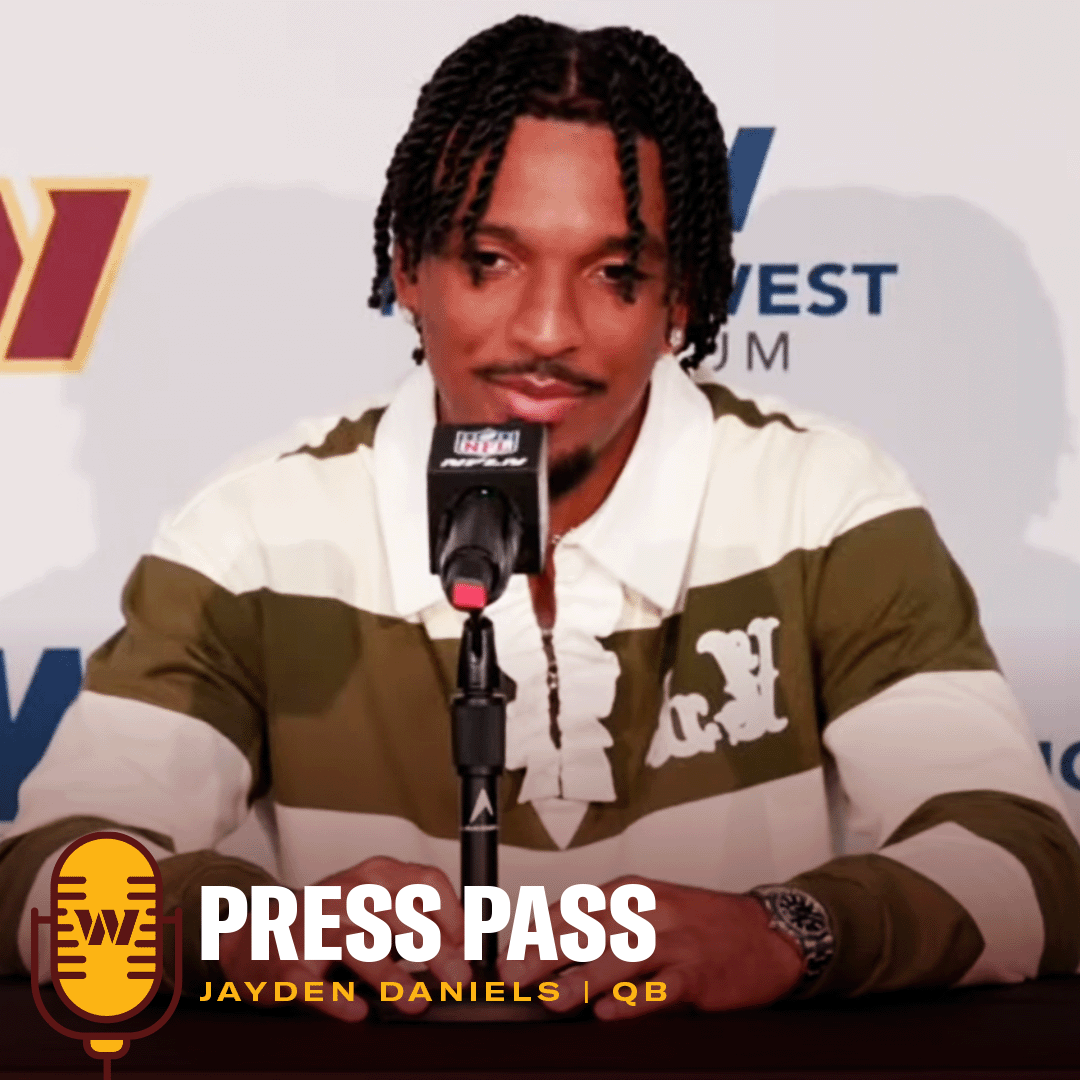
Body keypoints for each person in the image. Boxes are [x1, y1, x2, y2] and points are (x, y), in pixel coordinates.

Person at [2, 15, 1078, 1023]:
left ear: (681, 301)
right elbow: (44, 875)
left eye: (615, 272)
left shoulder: (823, 501)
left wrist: (784, 929)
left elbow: (1028, 863)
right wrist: (245, 922)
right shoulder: (258, 531)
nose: (547, 330)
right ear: (408, 271)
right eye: (490, 261)